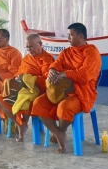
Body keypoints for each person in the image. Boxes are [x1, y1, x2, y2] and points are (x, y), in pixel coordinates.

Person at [30, 23, 101, 154]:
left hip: (82, 93)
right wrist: (52, 70)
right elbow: (56, 64)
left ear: (80, 36)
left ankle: (61, 131)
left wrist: (65, 74)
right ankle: (59, 133)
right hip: (62, 91)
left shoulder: (92, 53)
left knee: (64, 108)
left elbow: (85, 75)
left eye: (70, 35)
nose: (67, 38)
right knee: (38, 103)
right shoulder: (67, 52)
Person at [0, 33, 54, 142]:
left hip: (39, 91)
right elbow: (20, 72)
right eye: (27, 47)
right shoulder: (27, 58)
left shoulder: (47, 60)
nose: (29, 49)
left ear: (40, 44)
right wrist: (19, 77)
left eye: (31, 46)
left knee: (27, 99)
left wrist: (28, 78)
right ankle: (20, 124)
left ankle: (24, 123)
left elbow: (48, 82)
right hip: (23, 88)